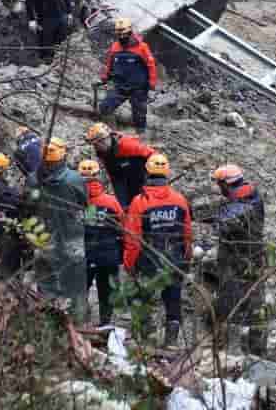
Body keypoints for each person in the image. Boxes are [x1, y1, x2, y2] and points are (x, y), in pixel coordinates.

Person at [124, 153, 192, 348]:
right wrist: (186, 259)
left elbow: (132, 239)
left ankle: (147, 339)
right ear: (167, 174)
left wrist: (129, 264)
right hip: (174, 259)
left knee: (140, 298)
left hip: (149, 262)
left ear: (147, 174)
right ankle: (171, 341)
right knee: (173, 299)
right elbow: (187, 233)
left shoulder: (139, 202)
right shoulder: (180, 199)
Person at [210, 164, 267, 355]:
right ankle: (258, 349)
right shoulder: (254, 196)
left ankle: (228, 351)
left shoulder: (236, 208)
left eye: (219, 184)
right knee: (257, 302)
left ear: (226, 185)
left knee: (229, 302)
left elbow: (221, 225)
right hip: (256, 256)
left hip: (235, 260)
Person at [33, 137, 89, 323]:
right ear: (63, 155)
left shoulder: (33, 179)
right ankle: (78, 326)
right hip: (72, 240)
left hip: (42, 239)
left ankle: (47, 328)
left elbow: (26, 208)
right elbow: (88, 208)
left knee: (46, 285)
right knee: (75, 287)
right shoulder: (75, 179)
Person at [78, 159, 124, 326]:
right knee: (106, 291)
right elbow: (123, 228)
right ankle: (105, 324)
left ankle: (80, 324)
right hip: (108, 253)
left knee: (80, 290)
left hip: (83, 254)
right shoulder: (111, 202)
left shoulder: (74, 201)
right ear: (98, 176)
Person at [98, 18, 158, 135]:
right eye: (119, 33)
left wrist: (152, 82)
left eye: (123, 33)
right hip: (119, 85)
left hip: (138, 87)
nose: (121, 36)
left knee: (139, 115)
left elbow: (151, 65)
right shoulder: (115, 46)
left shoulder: (142, 47)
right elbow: (109, 62)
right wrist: (105, 76)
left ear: (130, 32)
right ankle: (112, 134)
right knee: (105, 107)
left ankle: (140, 136)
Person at [84, 122, 156, 208]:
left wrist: (153, 178)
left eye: (97, 143)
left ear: (106, 139)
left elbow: (153, 155)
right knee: (122, 205)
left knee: (140, 201)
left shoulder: (127, 144)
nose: (96, 147)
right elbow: (110, 170)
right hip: (118, 176)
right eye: (94, 144)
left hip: (139, 173)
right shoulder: (101, 152)